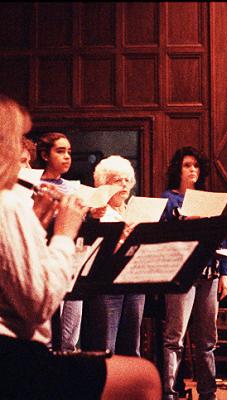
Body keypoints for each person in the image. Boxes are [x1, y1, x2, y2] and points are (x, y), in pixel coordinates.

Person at [0, 93, 161, 399]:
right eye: (18, 141)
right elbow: (38, 306)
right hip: (12, 356)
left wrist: (35, 225)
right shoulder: (6, 203)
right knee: (145, 377)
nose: (26, 154)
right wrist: (64, 233)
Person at [161, 146, 227, 400]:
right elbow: (164, 235)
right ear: (177, 169)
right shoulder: (169, 199)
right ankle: (169, 391)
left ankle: (208, 393)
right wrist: (184, 224)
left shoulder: (206, 197)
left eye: (196, 166)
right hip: (182, 273)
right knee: (175, 338)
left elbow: (219, 238)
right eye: (187, 165)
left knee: (207, 340)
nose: (192, 170)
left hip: (209, 273)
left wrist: (224, 273)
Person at [81, 155, 145, 357]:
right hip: (108, 283)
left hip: (135, 280)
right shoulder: (98, 213)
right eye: (118, 180)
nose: (124, 184)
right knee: (107, 344)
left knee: (132, 343)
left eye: (127, 179)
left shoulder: (136, 211)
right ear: (104, 184)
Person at [35, 132, 83, 351]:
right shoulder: (34, 184)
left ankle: (68, 356)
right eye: (60, 151)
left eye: (69, 152)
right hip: (46, 255)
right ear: (45, 155)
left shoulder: (73, 187)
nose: (67, 157)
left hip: (73, 256)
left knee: (73, 316)